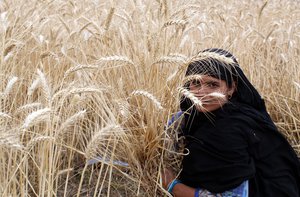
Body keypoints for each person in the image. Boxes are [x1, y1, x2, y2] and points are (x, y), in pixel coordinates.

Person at [162, 48, 300, 197]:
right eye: (195, 83)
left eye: (213, 85)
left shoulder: (230, 129)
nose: (201, 93)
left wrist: (173, 186)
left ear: (231, 88)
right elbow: (166, 139)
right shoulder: (191, 116)